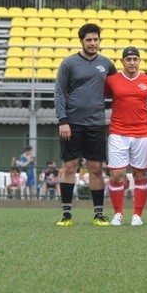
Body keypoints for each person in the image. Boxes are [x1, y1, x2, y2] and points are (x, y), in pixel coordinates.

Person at [54, 22, 117, 226]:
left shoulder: (107, 64)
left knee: (96, 168)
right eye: (88, 40)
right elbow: (58, 92)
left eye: (95, 39)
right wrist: (63, 120)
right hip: (71, 124)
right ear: (81, 41)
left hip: (96, 124)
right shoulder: (69, 63)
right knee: (70, 167)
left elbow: (121, 87)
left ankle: (98, 215)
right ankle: (66, 215)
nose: (92, 43)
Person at [104, 46, 147, 226]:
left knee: (140, 175)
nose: (132, 62)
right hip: (118, 132)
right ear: (122, 62)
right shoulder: (112, 80)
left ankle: (137, 215)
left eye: (135, 59)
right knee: (117, 175)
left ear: (139, 61)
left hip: (142, 133)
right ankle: (118, 214)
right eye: (128, 59)